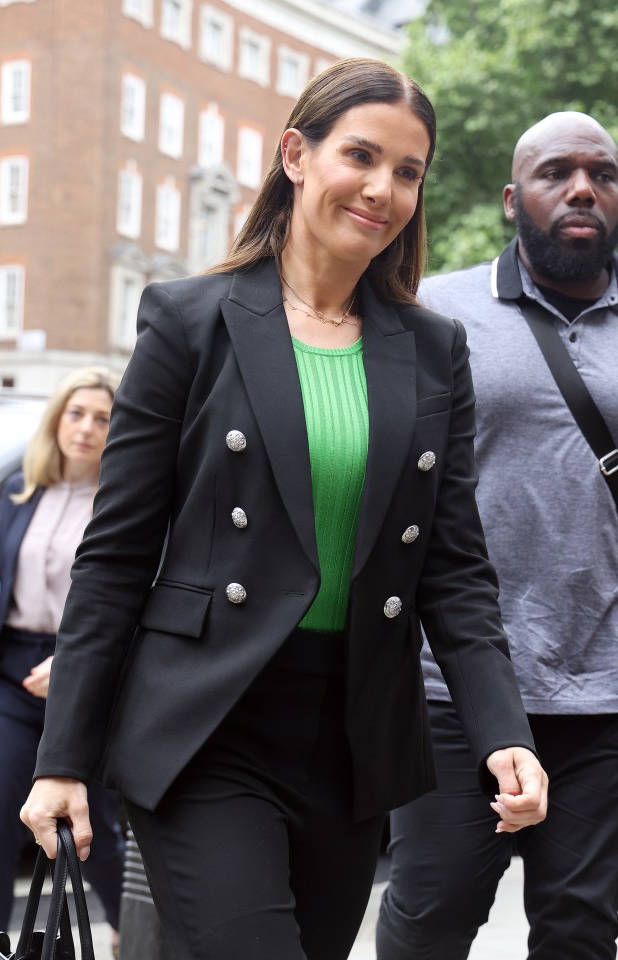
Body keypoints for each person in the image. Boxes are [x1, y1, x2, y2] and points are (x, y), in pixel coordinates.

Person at [21, 58, 547, 960]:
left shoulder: (433, 351)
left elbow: (454, 569)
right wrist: (60, 758)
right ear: (295, 156)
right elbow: (114, 556)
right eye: (361, 156)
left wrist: (504, 733)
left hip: (352, 739)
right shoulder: (191, 322)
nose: (383, 189)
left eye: (408, 171)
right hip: (207, 722)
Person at [377, 111, 618, 960]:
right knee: (430, 919)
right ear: (514, 198)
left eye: (602, 173)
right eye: (558, 173)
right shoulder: (435, 309)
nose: (583, 187)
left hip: (604, 696)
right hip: (449, 688)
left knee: (582, 934)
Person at [0, 367, 125, 953]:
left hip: (85, 672)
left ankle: (131, 931)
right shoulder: (19, 493)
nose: (86, 428)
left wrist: (71, 662)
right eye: (75, 413)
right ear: (56, 419)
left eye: (101, 417)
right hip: (12, 670)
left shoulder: (122, 502)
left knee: (98, 834)